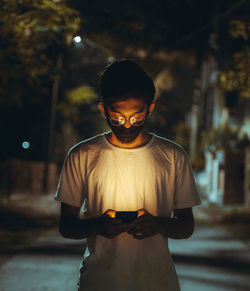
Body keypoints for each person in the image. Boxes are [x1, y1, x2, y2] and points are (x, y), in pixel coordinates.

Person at [54, 59, 201, 291]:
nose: (127, 125)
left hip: (158, 283)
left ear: (149, 109)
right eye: (117, 117)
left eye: (136, 117)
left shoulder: (173, 156)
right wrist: (98, 226)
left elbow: (186, 225)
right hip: (99, 282)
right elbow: (66, 225)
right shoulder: (81, 155)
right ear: (103, 109)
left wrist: (158, 224)